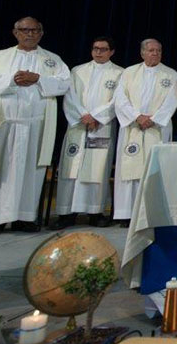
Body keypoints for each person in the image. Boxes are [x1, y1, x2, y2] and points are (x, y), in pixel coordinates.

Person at [0, 16, 70, 237]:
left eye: (34, 30)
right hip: (3, 124)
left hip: (35, 125)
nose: (30, 34)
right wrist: (11, 80)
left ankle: (24, 217)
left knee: (30, 171)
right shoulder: (0, 57)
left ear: (41, 33)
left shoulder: (52, 60)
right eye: (25, 30)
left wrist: (38, 79)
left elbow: (65, 84)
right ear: (15, 33)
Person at [50, 36, 123, 229]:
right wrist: (83, 115)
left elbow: (117, 100)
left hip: (101, 127)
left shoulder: (120, 73)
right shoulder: (78, 71)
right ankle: (66, 213)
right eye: (95, 48)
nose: (98, 52)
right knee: (70, 168)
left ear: (112, 52)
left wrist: (96, 117)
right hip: (78, 125)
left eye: (103, 49)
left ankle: (95, 212)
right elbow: (70, 96)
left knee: (97, 168)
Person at [112, 39, 177, 227]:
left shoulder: (170, 74)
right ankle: (127, 213)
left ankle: (150, 212)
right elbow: (120, 98)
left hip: (156, 128)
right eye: (151, 50)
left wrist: (153, 119)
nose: (155, 53)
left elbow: (172, 101)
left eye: (158, 50)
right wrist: (137, 117)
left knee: (154, 168)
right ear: (142, 53)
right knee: (129, 167)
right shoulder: (129, 72)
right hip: (133, 126)